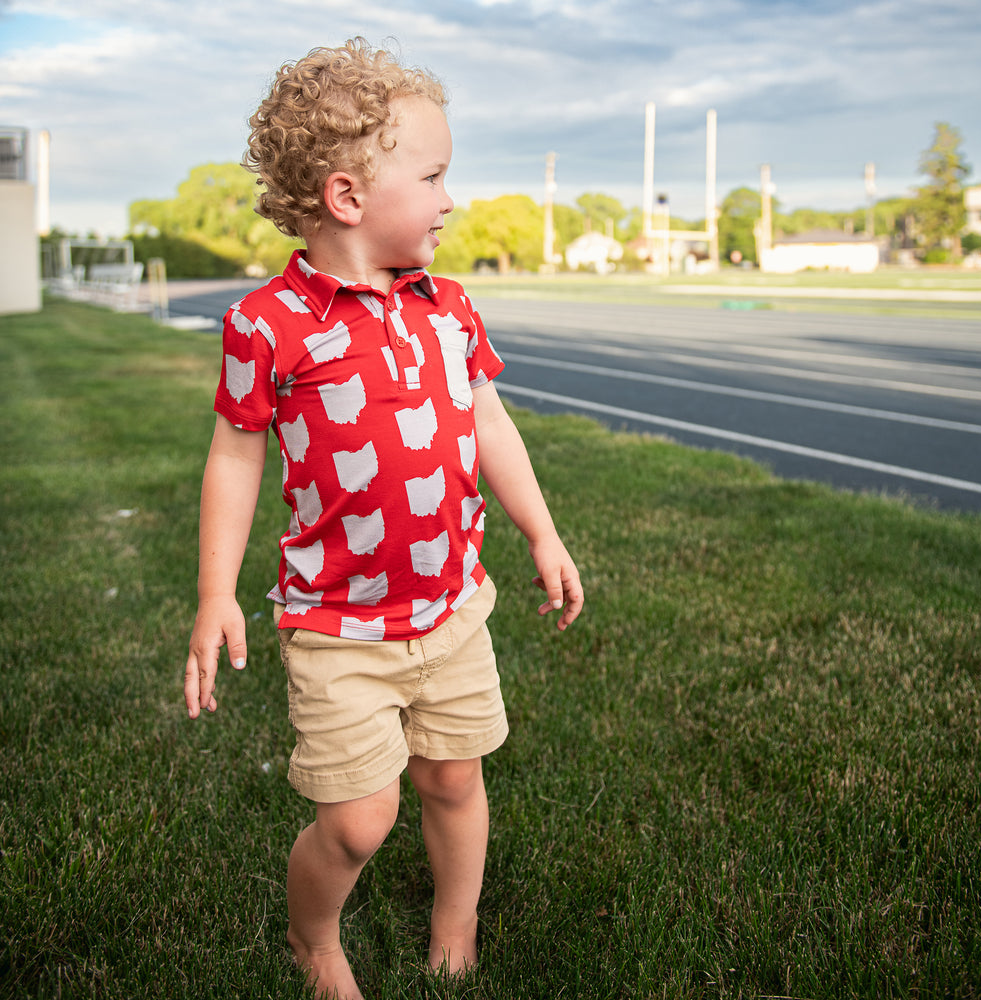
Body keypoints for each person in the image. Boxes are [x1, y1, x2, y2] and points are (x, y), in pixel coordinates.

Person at [183, 37, 583, 1000]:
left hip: (452, 607)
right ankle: (315, 938)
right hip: (337, 625)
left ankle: (456, 919)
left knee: (454, 778)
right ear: (347, 197)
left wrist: (540, 530)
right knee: (359, 819)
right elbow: (236, 454)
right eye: (436, 175)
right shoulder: (268, 323)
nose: (452, 199)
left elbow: (490, 422)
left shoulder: (448, 308)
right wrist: (213, 594)